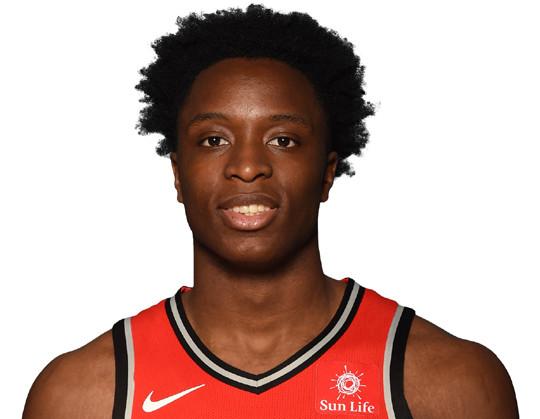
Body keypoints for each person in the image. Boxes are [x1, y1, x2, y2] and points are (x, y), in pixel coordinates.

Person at [23, 4, 519, 418]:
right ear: (177, 174)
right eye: (214, 140)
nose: (247, 166)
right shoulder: (81, 396)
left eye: (283, 140)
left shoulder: (450, 384)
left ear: (327, 172)